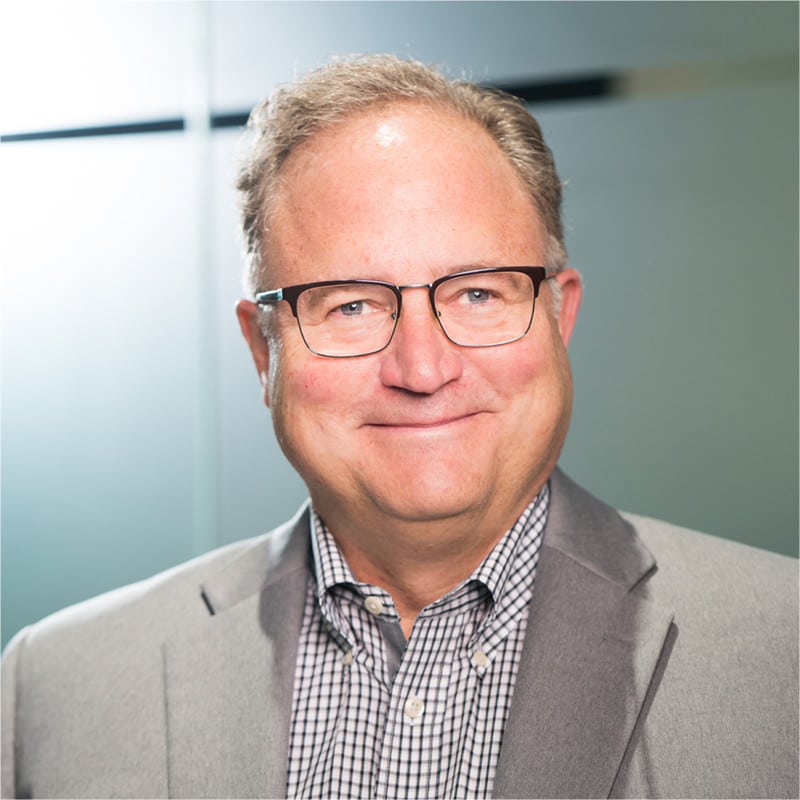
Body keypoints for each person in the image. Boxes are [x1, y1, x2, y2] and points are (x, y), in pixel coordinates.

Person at [1, 55, 797, 800]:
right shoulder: (58, 686)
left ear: (560, 317)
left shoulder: (781, 653)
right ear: (263, 351)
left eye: (479, 294)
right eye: (350, 305)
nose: (422, 368)